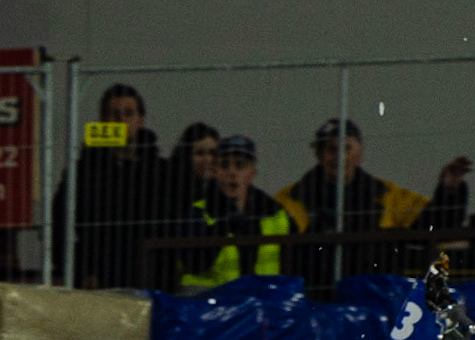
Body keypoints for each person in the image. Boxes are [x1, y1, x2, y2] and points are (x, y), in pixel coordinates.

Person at [275, 118, 471, 288]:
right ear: (318, 154)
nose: (338, 157)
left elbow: (436, 223)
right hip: (313, 303)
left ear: (360, 152)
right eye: (330, 149)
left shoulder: (386, 195)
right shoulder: (291, 199)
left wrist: (449, 191)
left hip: (374, 304)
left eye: (346, 148)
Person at [51, 83, 168, 289]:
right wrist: (81, 271)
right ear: (103, 122)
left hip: (150, 276)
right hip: (99, 278)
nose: (121, 120)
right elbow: (59, 225)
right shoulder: (83, 172)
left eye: (129, 113)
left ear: (140, 121)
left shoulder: (161, 170)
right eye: (114, 114)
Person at [178, 134, 295, 292]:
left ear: (252, 173)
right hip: (211, 306)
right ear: (215, 171)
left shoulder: (276, 214)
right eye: (224, 165)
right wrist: (221, 228)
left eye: (240, 165)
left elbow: (300, 261)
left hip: (263, 305)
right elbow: (193, 264)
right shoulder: (198, 213)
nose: (232, 172)